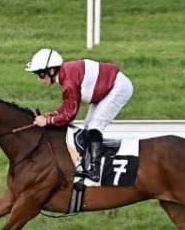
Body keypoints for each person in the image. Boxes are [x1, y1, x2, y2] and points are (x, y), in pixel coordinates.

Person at [26, 48, 134, 182]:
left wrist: (47, 121)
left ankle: (94, 170)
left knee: (95, 127)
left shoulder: (68, 82)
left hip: (118, 88)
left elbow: (70, 115)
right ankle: (89, 163)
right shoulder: (66, 75)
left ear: (52, 71)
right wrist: (52, 115)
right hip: (106, 88)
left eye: (41, 74)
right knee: (88, 127)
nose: (39, 79)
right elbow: (68, 106)